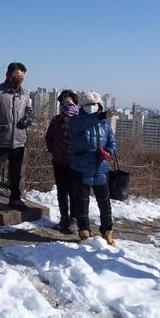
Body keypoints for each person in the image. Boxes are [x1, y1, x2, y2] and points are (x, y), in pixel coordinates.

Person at [0, 62, 34, 213]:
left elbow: (29, 109)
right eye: (17, 75)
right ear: (8, 75)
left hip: (19, 140)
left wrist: (29, 117)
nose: (19, 78)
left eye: (22, 76)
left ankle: (15, 199)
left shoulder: (26, 93)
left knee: (17, 172)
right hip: (1, 138)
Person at [69, 91, 117, 245]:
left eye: (94, 104)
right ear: (82, 106)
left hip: (101, 168)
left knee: (104, 202)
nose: (92, 107)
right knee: (81, 202)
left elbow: (112, 143)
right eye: (88, 104)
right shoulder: (76, 121)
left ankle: (107, 231)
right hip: (81, 168)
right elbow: (85, 123)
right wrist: (101, 116)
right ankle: (84, 233)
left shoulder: (105, 125)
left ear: (99, 105)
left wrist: (107, 152)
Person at [45, 89, 79, 233]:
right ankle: (64, 218)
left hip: (75, 161)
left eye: (68, 102)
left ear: (75, 103)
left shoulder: (80, 119)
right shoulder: (56, 120)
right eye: (63, 103)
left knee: (74, 191)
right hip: (59, 160)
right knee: (61, 191)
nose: (66, 105)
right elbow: (49, 137)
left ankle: (74, 220)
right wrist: (54, 149)